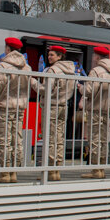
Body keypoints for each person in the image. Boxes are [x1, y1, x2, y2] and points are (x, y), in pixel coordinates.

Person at [0, 37, 32, 183]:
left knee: (4, 140)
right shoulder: (26, 67)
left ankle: (4, 173)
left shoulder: (2, 66)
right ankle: (14, 172)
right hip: (20, 107)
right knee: (17, 139)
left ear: (7, 49)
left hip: (5, 106)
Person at [78, 45, 110, 178]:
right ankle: (102, 168)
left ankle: (95, 170)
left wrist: (80, 87)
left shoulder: (95, 71)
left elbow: (89, 91)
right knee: (103, 139)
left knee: (94, 139)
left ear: (97, 57)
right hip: (107, 110)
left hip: (95, 109)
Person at [39, 45, 77, 181]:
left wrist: (33, 82)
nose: (49, 57)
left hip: (52, 106)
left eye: (52, 55)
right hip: (63, 105)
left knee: (49, 137)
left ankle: (49, 170)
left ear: (60, 56)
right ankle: (56, 170)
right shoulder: (70, 71)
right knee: (59, 138)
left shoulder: (53, 70)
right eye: (49, 55)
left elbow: (45, 89)